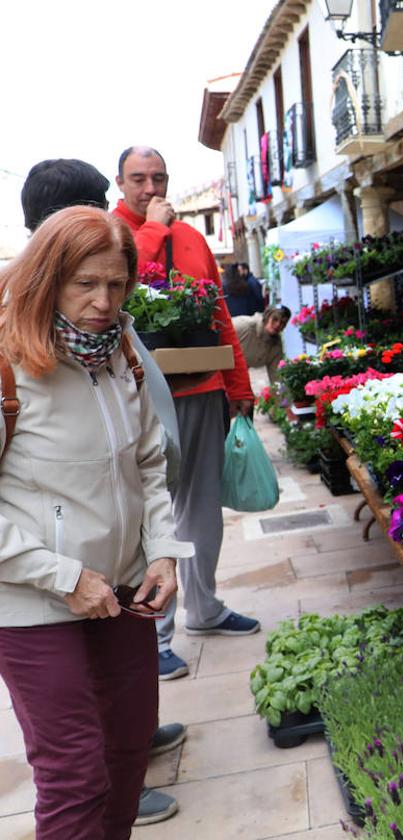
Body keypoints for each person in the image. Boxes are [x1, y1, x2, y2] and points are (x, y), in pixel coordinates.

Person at [0, 206, 193, 839]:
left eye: (116, 284)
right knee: (74, 774)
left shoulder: (121, 352)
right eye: (86, 284)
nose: (103, 301)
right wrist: (63, 576)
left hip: (123, 591)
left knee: (129, 749)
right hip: (32, 603)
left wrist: (163, 552)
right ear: (47, 279)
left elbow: (147, 462)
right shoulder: (9, 364)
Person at [113, 146, 260, 682]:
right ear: (119, 183)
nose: (151, 188)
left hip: (201, 391)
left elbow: (219, 314)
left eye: (158, 178)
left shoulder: (196, 239)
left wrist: (238, 384)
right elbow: (125, 283)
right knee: (151, 515)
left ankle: (205, 608)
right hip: (138, 396)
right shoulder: (112, 233)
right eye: (138, 179)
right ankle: (155, 636)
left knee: (201, 509)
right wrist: (151, 230)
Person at [234, 305, 291, 384]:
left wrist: (282, 395)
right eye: (275, 319)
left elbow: (276, 377)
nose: (278, 324)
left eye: (282, 323)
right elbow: (219, 331)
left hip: (238, 373)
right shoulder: (246, 326)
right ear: (267, 317)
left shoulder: (276, 346)